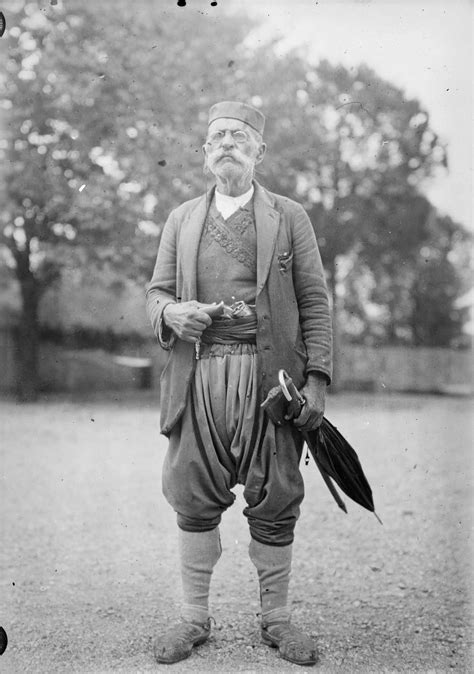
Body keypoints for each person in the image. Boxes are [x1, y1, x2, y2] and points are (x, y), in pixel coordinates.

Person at [146, 101, 332, 666]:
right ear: (205, 152)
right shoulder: (181, 218)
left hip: (270, 377)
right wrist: (171, 314)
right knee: (192, 492)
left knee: (276, 493)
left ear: (259, 151)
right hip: (199, 372)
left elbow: (315, 302)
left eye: (239, 136)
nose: (227, 143)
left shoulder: (289, 216)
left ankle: (276, 619)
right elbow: (156, 293)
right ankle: (192, 618)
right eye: (217, 136)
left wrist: (318, 380)